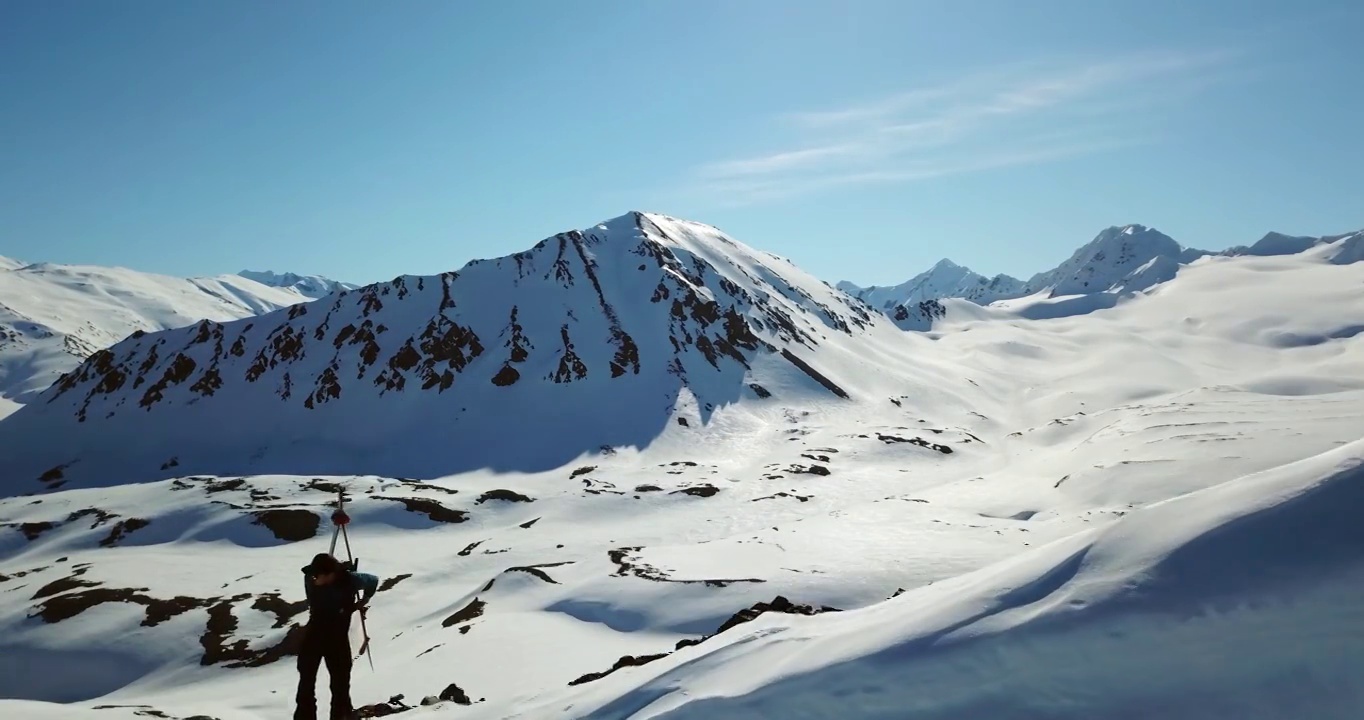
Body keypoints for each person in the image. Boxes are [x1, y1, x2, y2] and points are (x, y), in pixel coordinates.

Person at [295, 552, 379, 720]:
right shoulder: (310, 577)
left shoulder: (350, 580)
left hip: (337, 638)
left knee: (340, 683)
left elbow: (373, 580)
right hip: (315, 634)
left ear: (331, 574)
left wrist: (364, 600)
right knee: (306, 679)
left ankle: (341, 716)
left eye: (319, 576)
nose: (315, 579)